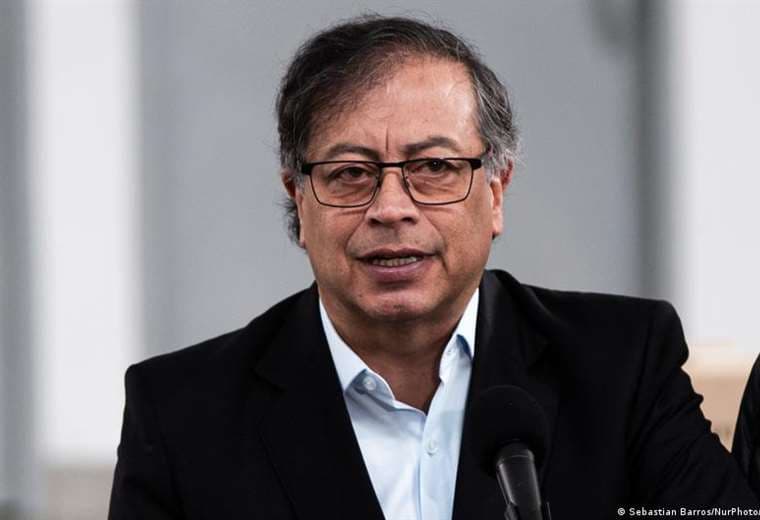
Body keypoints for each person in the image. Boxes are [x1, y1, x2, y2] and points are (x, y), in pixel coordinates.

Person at [108, 15, 758, 520]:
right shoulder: (182, 412)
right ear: (298, 200)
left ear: (496, 191)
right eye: (350, 174)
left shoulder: (621, 363)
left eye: (435, 168)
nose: (391, 208)